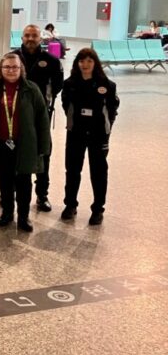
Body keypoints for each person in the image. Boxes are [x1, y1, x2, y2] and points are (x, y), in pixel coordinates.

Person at [0, 53, 50, 233]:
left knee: (24, 181)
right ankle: (7, 213)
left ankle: (23, 216)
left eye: (15, 67)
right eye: (7, 67)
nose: (11, 70)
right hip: (1, 144)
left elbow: (42, 119)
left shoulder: (32, 89)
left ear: (21, 69)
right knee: (4, 179)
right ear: (0, 69)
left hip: (25, 144)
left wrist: (44, 146)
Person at [61, 48, 119, 226]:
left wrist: (106, 128)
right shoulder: (70, 84)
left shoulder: (107, 85)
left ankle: (98, 209)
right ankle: (70, 204)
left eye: (89, 61)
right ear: (77, 63)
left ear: (95, 63)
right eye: (81, 61)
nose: (85, 64)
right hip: (75, 133)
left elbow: (112, 109)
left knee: (98, 172)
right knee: (72, 170)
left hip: (98, 134)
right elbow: (66, 105)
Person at [13, 24, 63, 212]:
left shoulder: (51, 61)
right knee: (15, 152)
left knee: (43, 153)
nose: (30, 39)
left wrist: (42, 102)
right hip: (15, 114)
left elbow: (57, 86)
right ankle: (10, 193)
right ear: (22, 38)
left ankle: (42, 195)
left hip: (40, 116)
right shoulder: (13, 58)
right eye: (27, 35)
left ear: (40, 39)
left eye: (34, 36)